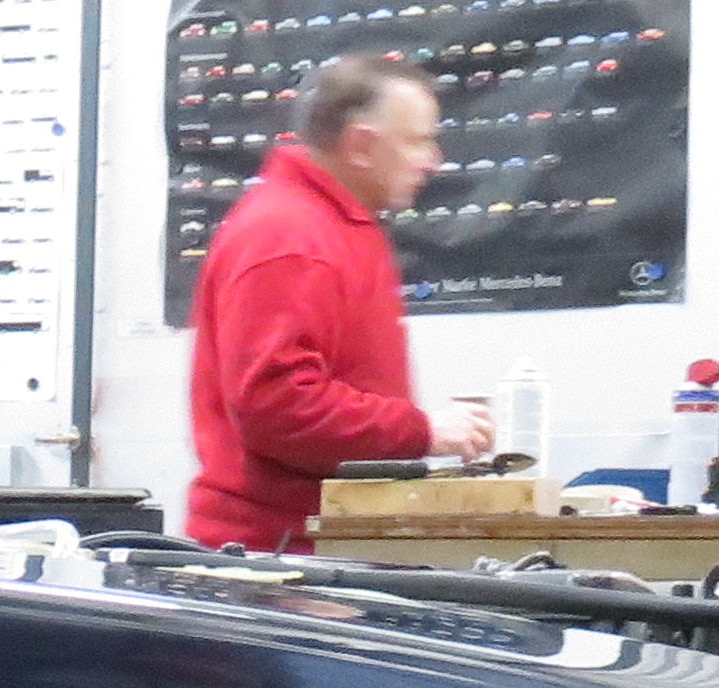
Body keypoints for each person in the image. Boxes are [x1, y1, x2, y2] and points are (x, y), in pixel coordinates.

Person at [181, 50, 496, 551]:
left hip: (320, 543)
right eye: (417, 141)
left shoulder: (336, 226)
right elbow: (279, 405)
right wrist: (419, 432)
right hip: (281, 557)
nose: (432, 160)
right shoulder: (290, 237)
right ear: (360, 144)